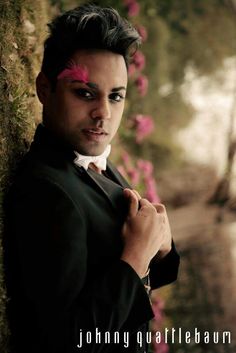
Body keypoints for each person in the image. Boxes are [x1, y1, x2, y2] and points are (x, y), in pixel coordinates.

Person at [4, 4, 180, 353]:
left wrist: (160, 248)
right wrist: (135, 256)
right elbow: (64, 341)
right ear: (44, 88)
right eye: (85, 93)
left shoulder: (96, 161)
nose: (104, 113)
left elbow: (124, 275)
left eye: (116, 96)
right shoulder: (46, 191)